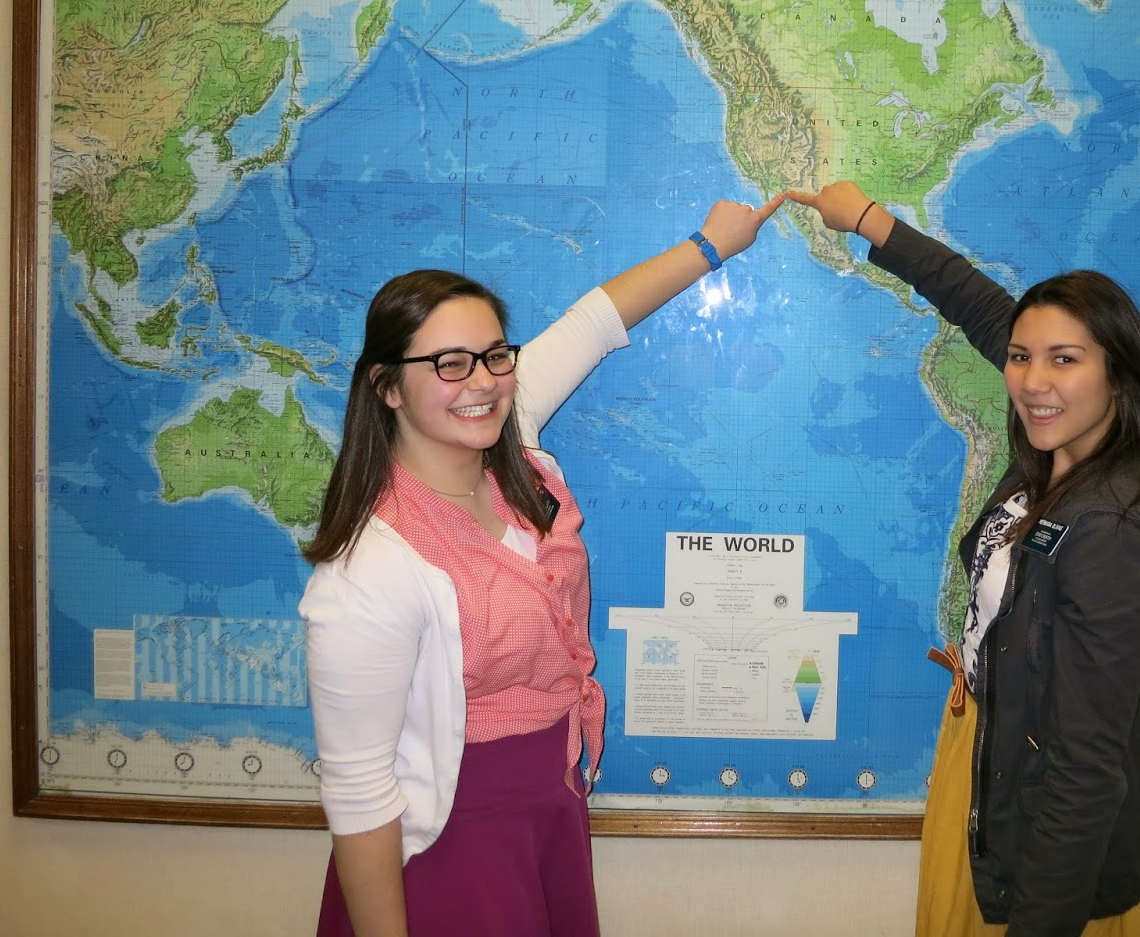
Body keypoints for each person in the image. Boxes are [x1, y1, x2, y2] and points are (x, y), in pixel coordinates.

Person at [299, 194, 785, 937]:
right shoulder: (370, 570)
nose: (483, 381)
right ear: (388, 386)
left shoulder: (508, 447)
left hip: (548, 808)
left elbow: (594, 323)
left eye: (495, 355)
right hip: (447, 840)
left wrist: (712, 244)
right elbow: (359, 794)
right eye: (448, 363)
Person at [787, 182, 1140, 937]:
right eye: (1022, 357)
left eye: (1064, 359)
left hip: (1047, 813)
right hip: (992, 758)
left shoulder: (1113, 530)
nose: (1030, 380)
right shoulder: (1063, 452)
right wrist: (868, 222)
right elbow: (985, 308)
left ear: (1118, 374)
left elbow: (1084, 767)